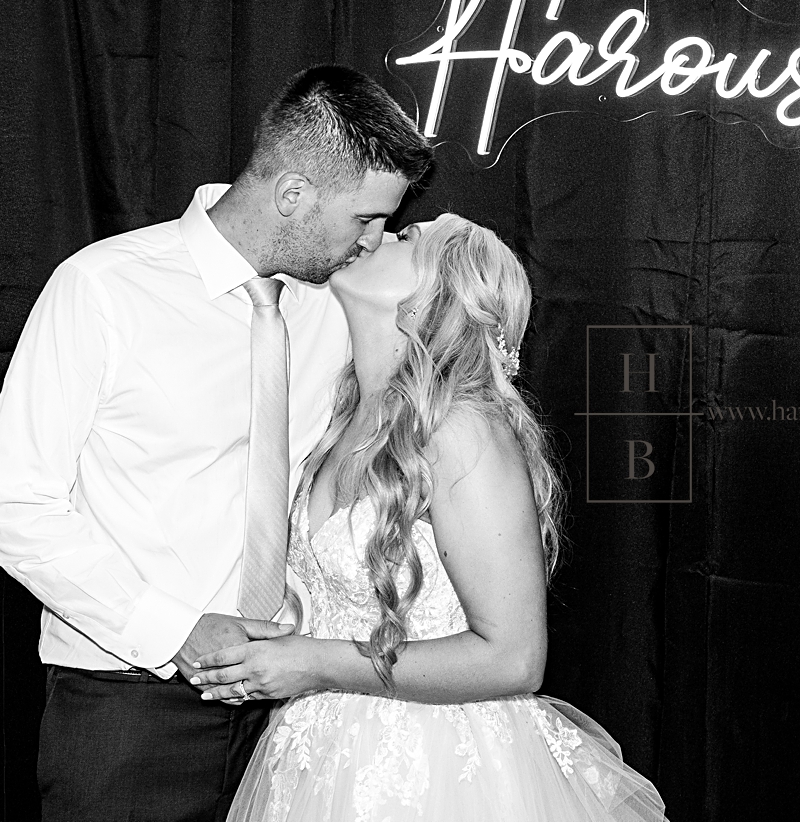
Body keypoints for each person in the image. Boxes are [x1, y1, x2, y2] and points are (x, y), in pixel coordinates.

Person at [0, 65, 433, 820]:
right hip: (128, 706)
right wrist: (175, 631)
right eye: (365, 219)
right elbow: (11, 505)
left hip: (295, 707)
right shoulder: (103, 289)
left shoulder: (339, 308)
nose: (374, 242)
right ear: (293, 196)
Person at [189, 213, 667, 821]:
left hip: (437, 767)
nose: (380, 235)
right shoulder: (339, 415)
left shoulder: (461, 430)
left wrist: (312, 662)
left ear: (436, 297)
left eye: (408, 238)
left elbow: (514, 658)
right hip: (320, 754)